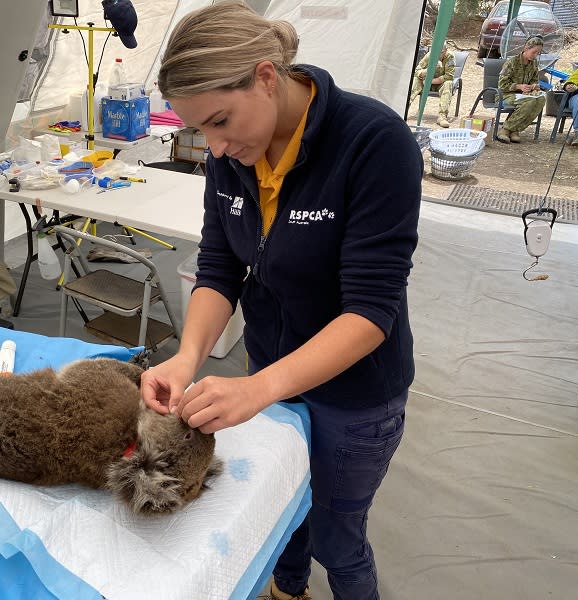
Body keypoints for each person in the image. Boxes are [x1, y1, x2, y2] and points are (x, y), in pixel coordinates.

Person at [140, 2, 422, 599]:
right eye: (200, 132)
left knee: (336, 536)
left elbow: (371, 312)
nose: (214, 148)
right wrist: (187, 359)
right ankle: (286, 592)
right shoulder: (235, 150)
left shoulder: (373, 142)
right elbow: (220, 267)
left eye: (220, 121)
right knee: (281, 514)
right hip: (267, 372)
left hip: (355, 394)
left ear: (266, 77)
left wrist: (260, 388)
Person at [495, 36, 546, 144]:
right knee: (529, 101)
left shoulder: (533, 64)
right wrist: (519, 86)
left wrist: (534, 86)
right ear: (526, 48)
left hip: (523, 95)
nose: (536, 55)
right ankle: (505, 130)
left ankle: (514, 129)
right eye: (534, 52)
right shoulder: (512, 62)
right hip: (504, 95)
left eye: (538, 53)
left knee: (541, 99)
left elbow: (534, 79)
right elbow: (502, 84)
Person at [408, 44, 456, 127]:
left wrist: (431, 81)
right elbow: (417, 71)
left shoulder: (450, 56)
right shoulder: (429, 55)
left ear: (445, 51)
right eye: (435, 53)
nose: (437, 55)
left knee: (448, 83)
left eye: (440, 53)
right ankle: (403, 110)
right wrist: (427, 70)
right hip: (425, 82)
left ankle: (442, 116)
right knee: (415, 80)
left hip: (439, 84)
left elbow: (449, 76)